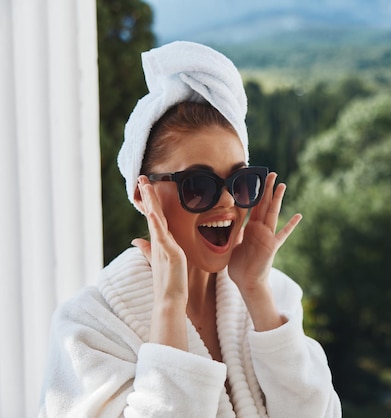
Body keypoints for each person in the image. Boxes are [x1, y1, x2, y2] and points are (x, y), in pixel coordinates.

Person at [39, 41, 341, 417]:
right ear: (142, 194)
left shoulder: (274, 295)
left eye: (240, 181)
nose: (229, 202)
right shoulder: (90, 325)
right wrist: (168, 307)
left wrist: (256, 292)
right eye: (198, 185)